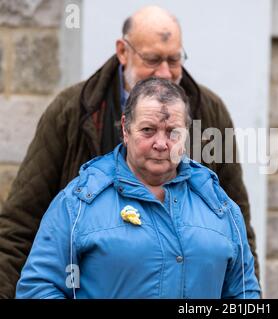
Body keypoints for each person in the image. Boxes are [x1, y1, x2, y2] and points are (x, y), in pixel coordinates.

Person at [0, 6, 259, 298]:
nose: (165, 72)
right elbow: (20, 223)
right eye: (152, 59)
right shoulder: (73, 110)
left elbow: (237, 225)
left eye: (173, 59)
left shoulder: (210, 111)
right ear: (123, 51)